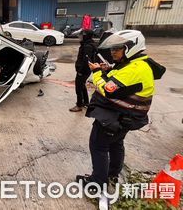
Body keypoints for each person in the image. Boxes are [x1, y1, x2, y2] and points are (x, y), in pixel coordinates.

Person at [76, 30, 165, 189]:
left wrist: (97, 72)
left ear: (131, 48)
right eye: (112, 49)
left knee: (98, 146)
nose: (113, 52)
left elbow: (109, 90)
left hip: (115, 116)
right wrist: (108, 69)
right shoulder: (138, 63)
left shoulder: (135, 69)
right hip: (127, 117)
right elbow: (122, 78)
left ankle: (98, 183)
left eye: (117, 48)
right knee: (116, 144)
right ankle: (112, 174)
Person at [69, 29, 97, 112]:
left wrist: (80, 71)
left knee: (78, 87)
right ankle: (86, 102)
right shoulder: (87, 44)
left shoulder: (87, 46)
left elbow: (86, 60)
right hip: (85, 69)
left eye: (81, 35)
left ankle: (79, 105)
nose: (79, 37)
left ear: (86, 36)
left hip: (84, 70)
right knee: (82, 85)